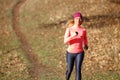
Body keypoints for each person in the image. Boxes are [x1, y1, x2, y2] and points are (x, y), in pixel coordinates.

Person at [64, 12, 88, 80]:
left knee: (78, 70)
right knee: (69, 70)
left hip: (80, 53)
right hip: (70, 53)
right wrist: (72, 36)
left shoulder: (83, 30)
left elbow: (85, 39)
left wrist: (86, 44)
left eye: (80, 19)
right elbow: (65, 41)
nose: (78, 20)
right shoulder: (69, 29)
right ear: (74, 19)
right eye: (77, 18)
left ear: (81, 20)